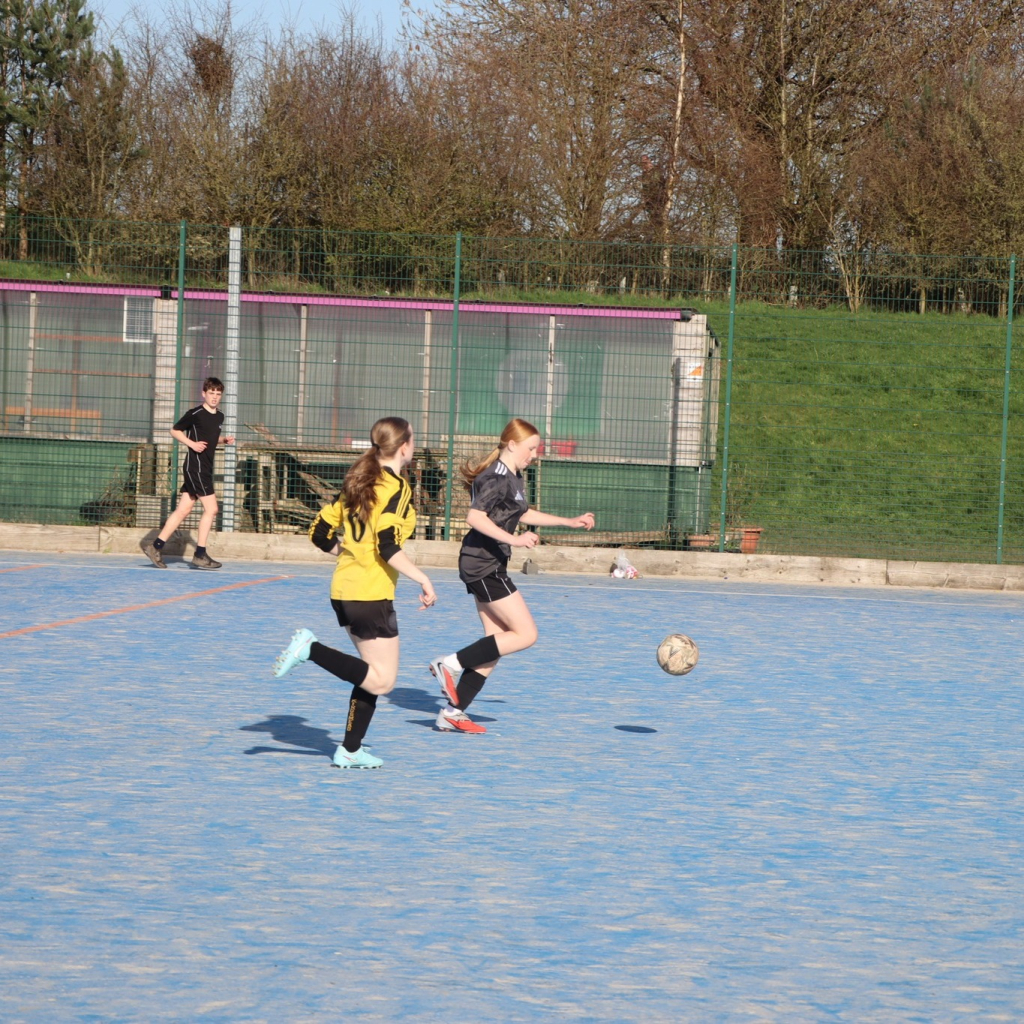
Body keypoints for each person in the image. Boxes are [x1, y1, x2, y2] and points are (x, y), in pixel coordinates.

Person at [271, 417, 436, 770]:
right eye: (413, 440)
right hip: (369, 593)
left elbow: (319, 532)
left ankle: (349, 749)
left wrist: (347, 552)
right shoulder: (396, 486)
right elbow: (388, 545)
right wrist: (423, 579)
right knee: (383, 680)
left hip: (345, 590)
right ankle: (310, 649)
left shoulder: (358, 480)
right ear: (404, 446)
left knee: (371, 674)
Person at [428, 417, 595, 733]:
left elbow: (521, 513)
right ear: (512, 444)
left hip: (485, 564)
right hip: (483, 565)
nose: (535, 454)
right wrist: (515, 539)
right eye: (531, 448)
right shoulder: (496, 478)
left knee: (496, 644)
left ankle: (452, 712)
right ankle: (448, 663)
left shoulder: (513, 477)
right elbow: (475, 517)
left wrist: (568, 521)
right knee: (526, 634)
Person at [140, 376, 235, 570]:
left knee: (184, 509)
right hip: (195, 467)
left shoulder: (219, 416)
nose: (215, 397)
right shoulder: (196, 413)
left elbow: (210, 438)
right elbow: (175, 430)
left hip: (205, 467)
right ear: (204, 393)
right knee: (212, 509)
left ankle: (155, 547)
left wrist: (223, 440)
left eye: (218, 394)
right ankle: (200, 554)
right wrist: (191, 444)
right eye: (211, 393)